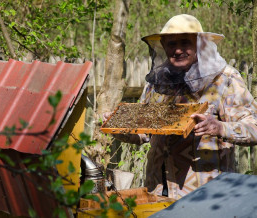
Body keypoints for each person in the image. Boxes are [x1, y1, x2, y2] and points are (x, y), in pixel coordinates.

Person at [106, 14, 257, 200]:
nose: (177, 50)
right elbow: (143, 133)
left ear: (200, 44)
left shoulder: (225, 79)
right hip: (157, 192)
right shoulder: (157, 83)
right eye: (171, 44)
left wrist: (219, 127)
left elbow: (254, 128)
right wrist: (116, 127)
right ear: (163, 45)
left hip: (208, 197)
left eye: (185, 43)